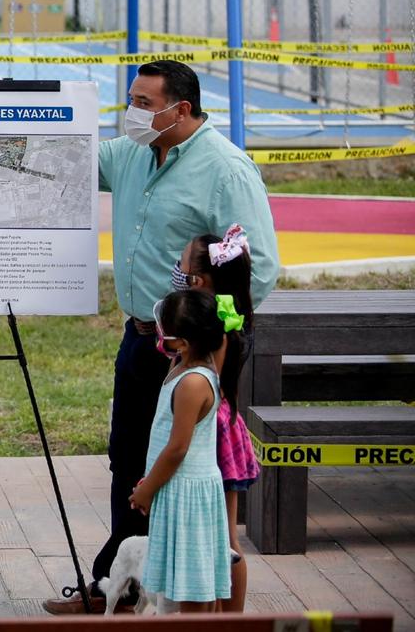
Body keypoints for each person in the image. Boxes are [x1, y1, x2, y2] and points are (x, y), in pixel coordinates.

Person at [44, 59, 278, 615]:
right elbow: (65, 158)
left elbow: (259, 268)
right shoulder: (131, 155)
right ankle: (118, 588)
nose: (132, 113)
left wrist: (204, 337)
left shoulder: (225, 170)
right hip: (141, 338)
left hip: (193, 353)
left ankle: (192, 592)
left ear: (182, 109)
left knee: (187, 471)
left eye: (145, 104)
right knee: (128, 460)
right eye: (131, 100)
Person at [130, 289, 232, 613]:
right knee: (196, 581)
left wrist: (147, 489)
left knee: (195, 590)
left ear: (185, 342)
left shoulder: (193, 383)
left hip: (186, 491)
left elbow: (177, 449)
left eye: (166, 332)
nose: (160, 335)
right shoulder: (189, 363)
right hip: (178, 488)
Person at [177, 225, 258, 611]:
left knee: (222, 541)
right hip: (225, 428)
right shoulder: (231, 312)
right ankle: (231, 619)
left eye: (182, 265)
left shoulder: (215, 325)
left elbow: (201, 377)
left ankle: (223, 618)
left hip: (212, 433)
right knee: (226, 538)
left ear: (199, 279)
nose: (176, 272)